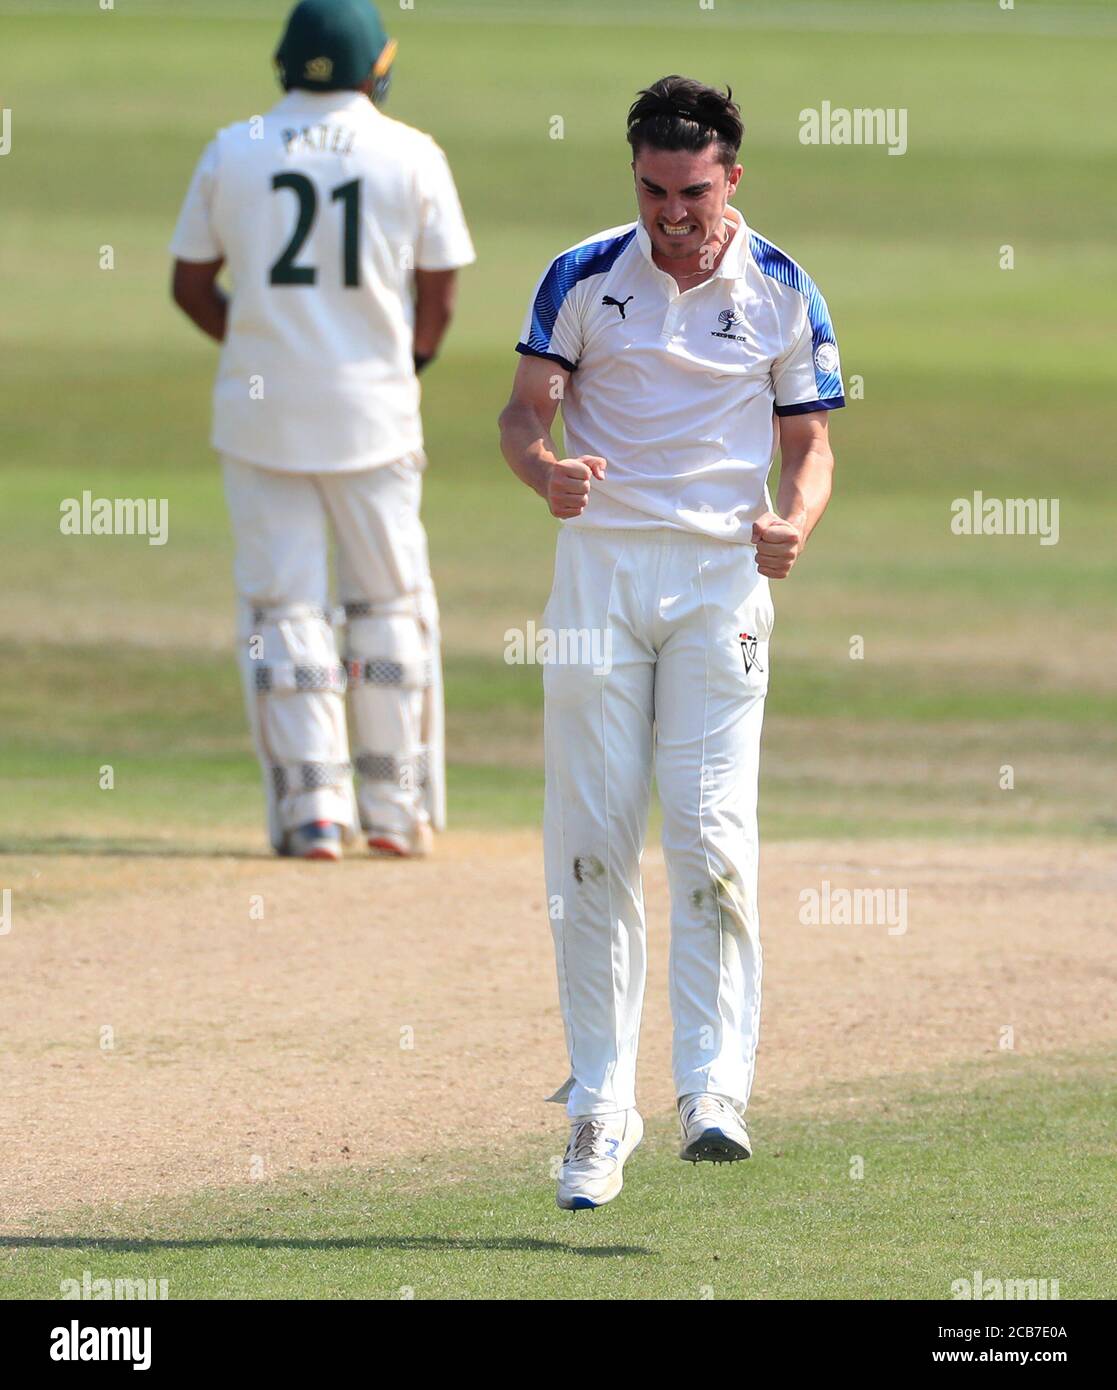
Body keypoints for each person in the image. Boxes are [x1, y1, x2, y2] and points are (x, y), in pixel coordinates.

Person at [499, 76, 843, 1208]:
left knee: (708, 830)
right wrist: (543, 468)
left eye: (692, 191)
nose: (671, 214)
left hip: (718, 580)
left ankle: (714, 1087)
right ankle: (601, 1108)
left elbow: (809, 447)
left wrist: (793, 522)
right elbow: (521, 410)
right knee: (591, 841)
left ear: (730, 178)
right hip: (598, 571)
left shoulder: (784, 288)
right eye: (652, 190)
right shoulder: (584, 274)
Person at [170, 0, 474, 860]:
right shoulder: (411, 153)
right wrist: (404, 360)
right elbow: (441, 289)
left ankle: (314, 815)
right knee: (387, 604)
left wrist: (267, 347)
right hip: (373, 411)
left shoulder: (233, 149)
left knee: (284, 608)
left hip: (261, 413)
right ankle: (393, 808)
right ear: (376, 65)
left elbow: (192, 286)